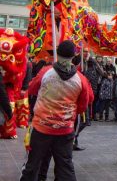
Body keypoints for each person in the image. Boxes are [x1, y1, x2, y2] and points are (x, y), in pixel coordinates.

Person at [20, 40, 90, 181]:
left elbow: (31, 89)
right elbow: (84, 104)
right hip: (65, 129)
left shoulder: (46, 72)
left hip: (41, 128)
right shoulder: (81, 79)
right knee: (65, 166)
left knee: (33, 164)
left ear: (57, 54)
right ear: (74, 56)